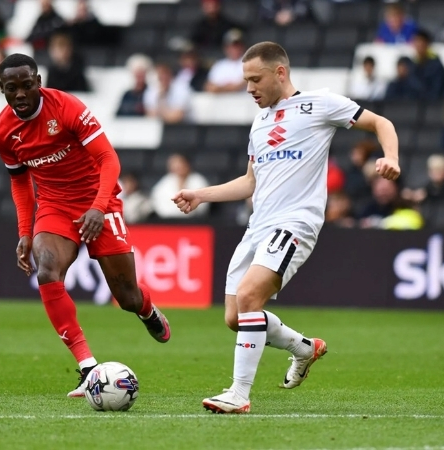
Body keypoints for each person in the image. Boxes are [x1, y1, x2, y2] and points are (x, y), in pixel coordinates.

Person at [171, 41, 400, 413]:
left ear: (280, 73)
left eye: (255, 79)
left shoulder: (319, 103)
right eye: (246, 81)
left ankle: (239, 394)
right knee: (236, 317)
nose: (249, 89)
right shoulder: (259, 122)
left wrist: (390, 157)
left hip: (295, 222)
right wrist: (201, 195)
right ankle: (304, 348)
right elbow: (250, 182)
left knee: (248, 299)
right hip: (258, 226)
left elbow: (381, 123)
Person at [0, 54, 171, 398]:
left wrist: (99, 207)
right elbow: (19, 182)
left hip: (97, 199)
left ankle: (146, 309)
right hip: (55, 205)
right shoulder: (3, 131)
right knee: (47, 271)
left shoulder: (67, 107)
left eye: (27, 85)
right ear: (2, 89)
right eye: (11, 88)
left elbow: (109, 159)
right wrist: (25, 232)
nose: (20, 93)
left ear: (39, 81)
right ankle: (88, 367)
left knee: (127, 296)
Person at [152, 153, 209, 218]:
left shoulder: (198, 180)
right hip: (169, 221)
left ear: (187, 164)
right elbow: (158, 203)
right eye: (174, 164)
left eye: (180, 163)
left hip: (194, 222)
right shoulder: (165, 182)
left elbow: (202, 206)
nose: (177, 166)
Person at [409, 29, 444, 101]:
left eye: (421, 43)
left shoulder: (436, 65)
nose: (419, 46)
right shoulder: (411, 65)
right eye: (417, 43)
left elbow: (437, 89)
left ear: (427, 44)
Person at [205, 29, 247, 93]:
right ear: (226, 47)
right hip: (221, 101)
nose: (234, 49)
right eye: (232, 46)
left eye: (237, 45)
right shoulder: (219, 65)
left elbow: (239, 85)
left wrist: (220, 88)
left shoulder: (248, 63)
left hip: (242, 100)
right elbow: (209, 86)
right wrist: (226, 87)